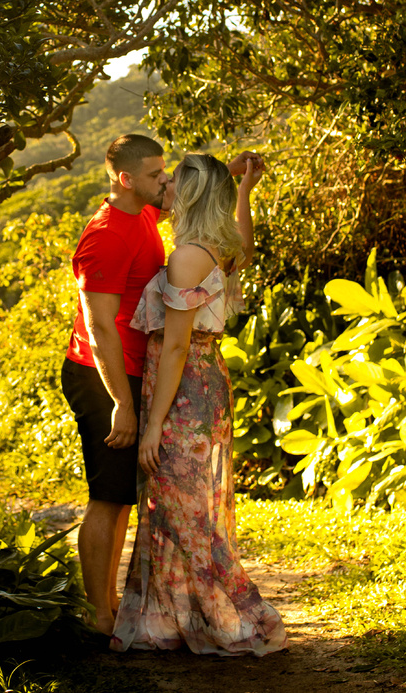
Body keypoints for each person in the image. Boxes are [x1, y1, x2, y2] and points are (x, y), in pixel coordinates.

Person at [64, 136, 261, 636]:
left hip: (151, 377)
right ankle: (99, 614)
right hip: (105, 376)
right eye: (157, 175)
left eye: (170, 175)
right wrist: (121, 403)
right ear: (127, 180)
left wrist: (229, 175)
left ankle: (117, 605)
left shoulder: (146, 214)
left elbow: (199, 204)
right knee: (108, 496)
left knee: (130, 497)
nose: (166, 182)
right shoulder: (106, 235)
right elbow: (99, 326)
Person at [110, 152, 287, 656]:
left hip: (184, 389)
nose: (164, 186)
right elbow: (246, 243)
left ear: (187, 195)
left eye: (172, 181)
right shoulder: (220, 245)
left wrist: (152, 427)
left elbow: (176, 346)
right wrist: (243, 189)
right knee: (180, 503)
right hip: (201, 382)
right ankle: (172, 618)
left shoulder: (187, 256)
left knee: (183, 509)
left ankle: (240, 617)